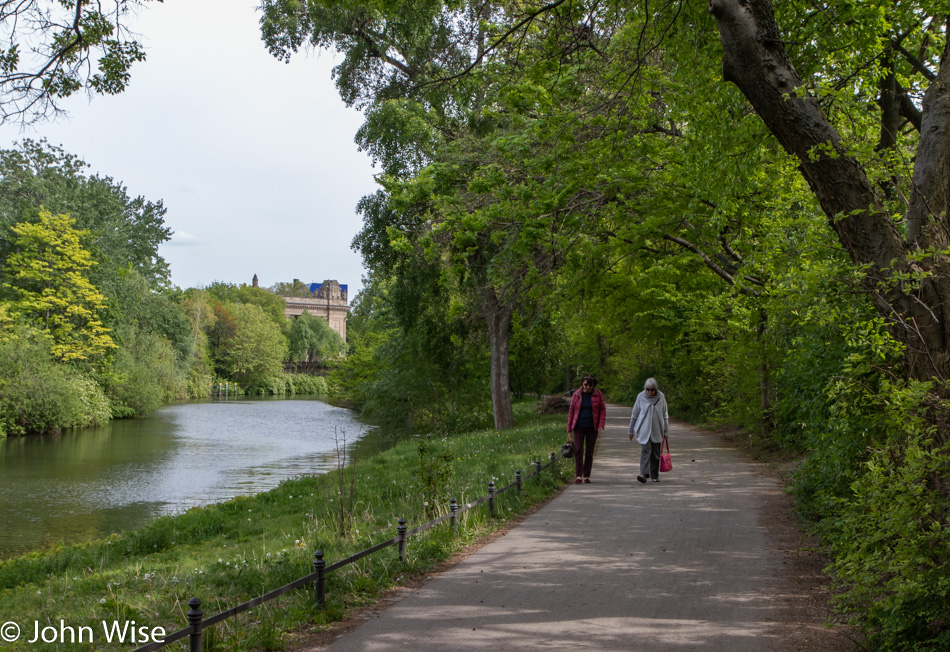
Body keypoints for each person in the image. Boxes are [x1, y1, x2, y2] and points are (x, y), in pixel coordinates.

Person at [627, 377, 669, 483]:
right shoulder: (641, 396)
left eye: (652, 390)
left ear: (656, 389)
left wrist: (666, 431)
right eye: (648, 390)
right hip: (644, 430)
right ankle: (644, 474)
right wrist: (630, 430)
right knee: (646, 451)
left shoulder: (661, 397)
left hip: (657, 429)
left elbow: (665, 415)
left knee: (655, 453)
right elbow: (635, 414)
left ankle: (654, 475)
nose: (649, 392)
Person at [566, 374, 606, 484]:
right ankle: (578, 475)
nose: (587, 387)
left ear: (593, 385)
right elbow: (571, 411)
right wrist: (569, 428)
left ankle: (586, 475)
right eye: (585, 384)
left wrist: (601, 425)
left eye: (590, 385)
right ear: (582, 384)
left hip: (592, 428)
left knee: (589, 452)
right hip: (579, 427)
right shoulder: (577, 395)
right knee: (578, 450)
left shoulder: (598, 394)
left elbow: (602, 410)